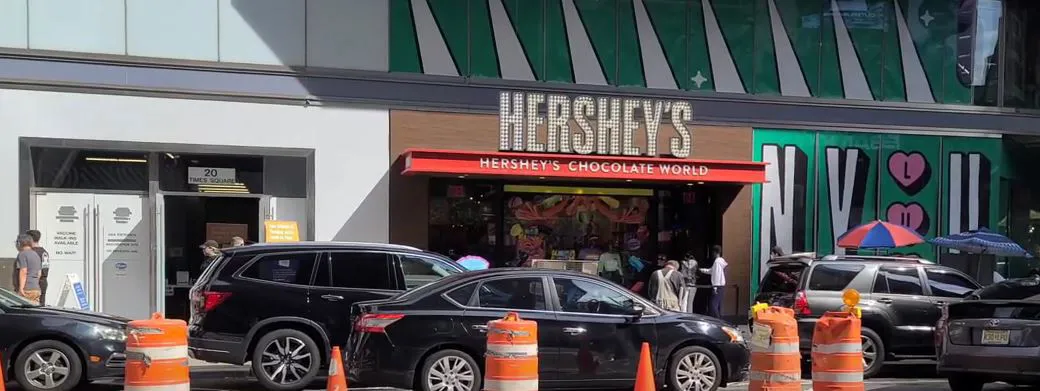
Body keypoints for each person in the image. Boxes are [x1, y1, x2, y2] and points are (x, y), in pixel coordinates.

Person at [699, 245, 728, 318]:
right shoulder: (719, 261)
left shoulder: (717, 262)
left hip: (717, 286)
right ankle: (718, 320)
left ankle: (717, 321)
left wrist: (715, 288)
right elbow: (711, 271)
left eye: (713, 252)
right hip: (720, 287)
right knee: (716, 305)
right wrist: (701, 270)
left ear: (715, 252)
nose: (712, 254)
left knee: (713, 305)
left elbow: (716, 275)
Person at [15, 234, 43, 305]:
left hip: (27, 289)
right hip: (36, 289)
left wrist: (21, 288)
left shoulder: (22, 254)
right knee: (34, 309)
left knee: (22, 309)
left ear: (19, 243)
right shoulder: (36, 255)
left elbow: (23, 271)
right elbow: (39, 273)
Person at [26, 230, 50, 305]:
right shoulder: (44, 252)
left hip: (33, 285)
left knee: (30, 307)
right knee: (41, 306)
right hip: (43, 282)